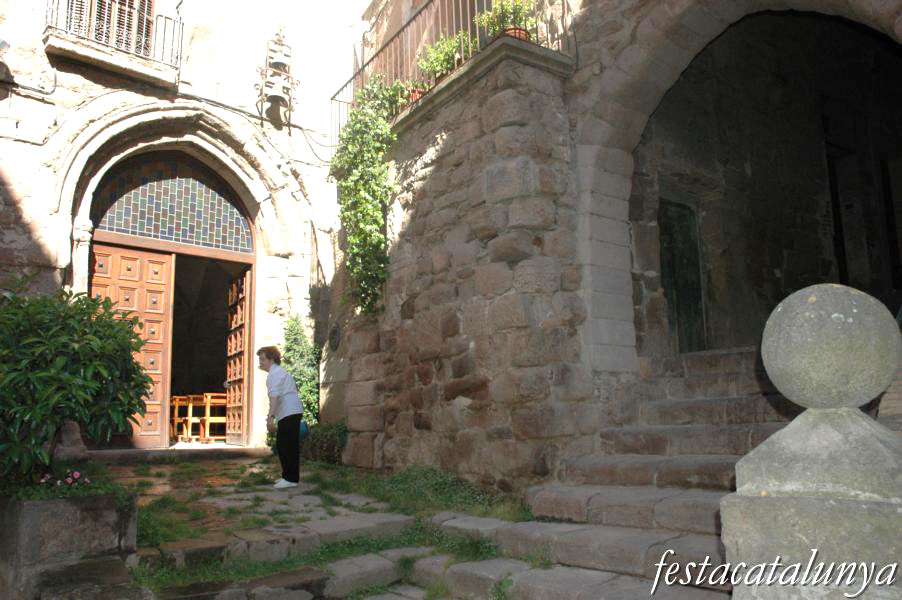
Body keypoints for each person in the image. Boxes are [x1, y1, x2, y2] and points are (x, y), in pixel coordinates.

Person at [257, 346, 302, 489]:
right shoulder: (278, 372)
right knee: (288, 445)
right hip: (291, 411)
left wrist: (271, 417)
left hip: (289, 411)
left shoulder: (274, 375)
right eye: (260, 359)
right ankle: (290, 477)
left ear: (271, 359)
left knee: (285, 445)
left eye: (262, 359)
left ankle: (290, 478)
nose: (260, 362)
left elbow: (274, 398)